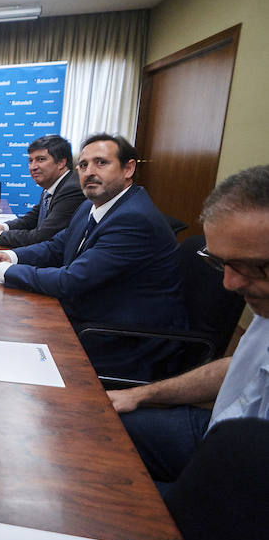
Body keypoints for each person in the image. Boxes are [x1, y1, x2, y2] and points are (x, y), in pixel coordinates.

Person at [107, 164, 269, 491]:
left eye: (253, 266)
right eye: (221, 262)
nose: (229, 283)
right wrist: (141, 394)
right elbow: (243, 367)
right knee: (82, 431)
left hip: (247, 486)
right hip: (214, 429)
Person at [0, 133, 186, 380]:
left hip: (122, 339)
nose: (89, 172)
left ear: (128, 168)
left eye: (101, 163)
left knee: (5, 345)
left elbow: (71, 281)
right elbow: (57, 245)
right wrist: (11, 256)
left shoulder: (133, 218)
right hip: (93, 313)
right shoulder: (91, 204)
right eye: (84, 165)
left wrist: (3, 272)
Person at [0, 135, 85, 247]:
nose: (33, 167)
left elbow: (41, 236)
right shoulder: (52, 184)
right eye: (30, 161)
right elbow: (32, 219)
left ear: (61, 163)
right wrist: (2, 227)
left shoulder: (71, 189)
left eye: (41, 159)